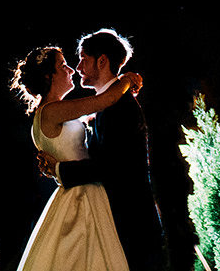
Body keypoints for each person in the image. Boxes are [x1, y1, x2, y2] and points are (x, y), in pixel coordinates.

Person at [11, 44, 142, 271]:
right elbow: (105, 100)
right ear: (48, 75)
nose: (71, 70)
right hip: (83, 194)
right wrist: (127, 80)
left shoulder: (54, 111)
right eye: (63, 66)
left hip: (79, 188)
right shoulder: (52, 110)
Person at [53, 29, 165, 271]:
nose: (79, 66)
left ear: (102, 60)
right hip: (121, 223)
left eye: (84, 58)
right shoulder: (109, 104)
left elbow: (109, 166)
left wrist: (59, 169)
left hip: (132, 224)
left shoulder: (120, 107)